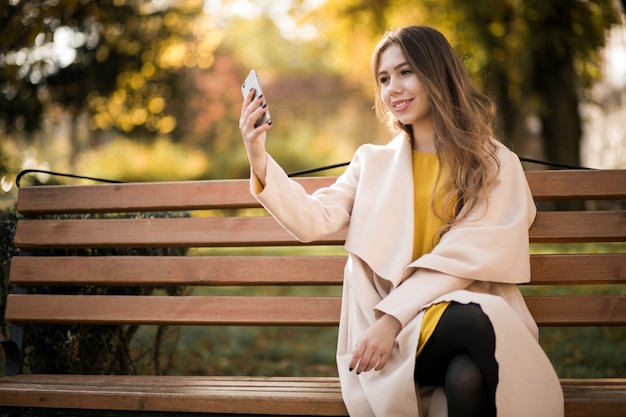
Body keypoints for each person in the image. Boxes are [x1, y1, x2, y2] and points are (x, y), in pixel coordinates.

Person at [239, 25, 563, 417]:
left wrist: (391, 319)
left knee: (466, 376)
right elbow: (314, 219)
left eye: (406, 72)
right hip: (388, 342)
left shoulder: (495, 164)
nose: (393, 87)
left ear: (438, 75)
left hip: (436, 321)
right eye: (384, 78)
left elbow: (470, 253)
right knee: (484, 321)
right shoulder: (371, 163)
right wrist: (258, 157)